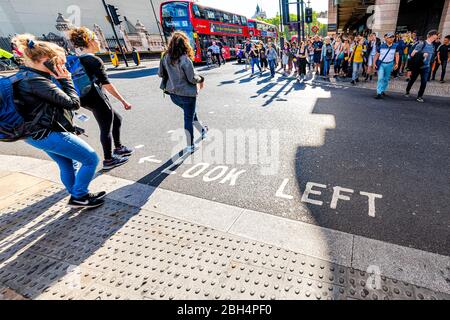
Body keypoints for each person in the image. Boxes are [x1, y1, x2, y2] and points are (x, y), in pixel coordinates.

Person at [12, 34, 105, 209]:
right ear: (44, 59)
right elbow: (72, 103)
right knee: (90, 159)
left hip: (33, 133)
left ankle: (77, 195)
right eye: (57, 61)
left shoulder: (24, 75)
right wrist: (66, 80)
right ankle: (79, 195)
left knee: (67, 162)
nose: (61, 65)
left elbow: (46, 108)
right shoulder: (36, 80)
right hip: (46, 133)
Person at [69, 27, 134, 171]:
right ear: (90, 41)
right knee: (105, 128)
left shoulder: (76, 59)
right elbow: (107, 84)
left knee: (116, 119)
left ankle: (119, 147)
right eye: (97, 39)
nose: (99, 42)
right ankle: (109, 159)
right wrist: (123, 101)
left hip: (84, 98)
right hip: (96, 98)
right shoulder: (93, 60)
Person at [158, 31, 207, 153]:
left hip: (173, 94)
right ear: (184, 44)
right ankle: (190, 145)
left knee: (190, 114)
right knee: (188, 118)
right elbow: (192, 78)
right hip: (187, 94)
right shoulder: (185, 59)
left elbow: (160, 74)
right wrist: (201, 78)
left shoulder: (165, 57)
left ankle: (202, 131)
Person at [405, 30, 439, 103]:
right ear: (432, 35)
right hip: (417, 66)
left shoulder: (433, 45)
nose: (437, 36)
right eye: (436, 34)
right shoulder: (422, 44)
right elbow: (412, 54)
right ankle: (407, 90)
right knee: (412, 79)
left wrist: (431, 64)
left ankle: (420, 96)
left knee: (424, 82)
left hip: (426, 67)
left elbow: (431, 57)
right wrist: (422, 54)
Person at [374, 32, 400, 99]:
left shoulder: (396, 46)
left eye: (393, 37)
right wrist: (374, 63)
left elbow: (397, 55)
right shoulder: (381, 46)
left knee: (386, 79)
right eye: (390, 37)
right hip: (381, 64)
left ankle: (382, 90)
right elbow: (377, 55)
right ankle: (379, 93)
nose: (391, 39)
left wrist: (397, 63)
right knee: (380, 78)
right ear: (386, 38)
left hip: (390, 64)